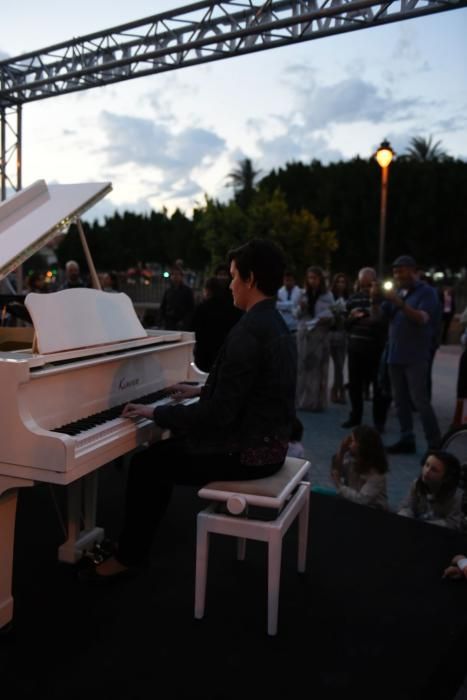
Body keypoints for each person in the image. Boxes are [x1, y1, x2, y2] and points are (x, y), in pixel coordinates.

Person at [80, 238, 297, 582]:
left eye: (233, 276)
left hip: (247, 452)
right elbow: (249, 390)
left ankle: (129, 556)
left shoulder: (249, 332)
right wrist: (200, 389)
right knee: (160, 456)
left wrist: (158, 413)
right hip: (267, 443)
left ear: (251, 279)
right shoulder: (274, 323)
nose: (230, 284)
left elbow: (218, 416)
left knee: (147, 464)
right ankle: (137, 543)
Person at [371, 255, 442, 453]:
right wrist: (374, 300)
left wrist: (399, 302)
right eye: (394, 271)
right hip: (395, 354)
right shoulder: (398, 292)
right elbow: (377, 318)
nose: (397, 275)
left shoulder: (427, 293)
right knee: (399, 400)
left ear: (413, 270)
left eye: (401, 270)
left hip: (416, 355)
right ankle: (406, 438)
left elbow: (422, 318)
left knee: (420, 401)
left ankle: (435, 444)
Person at [342, 267, 389, 432]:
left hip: (376, 349)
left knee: (379, 387)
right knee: (355, 385)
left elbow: (383, 323)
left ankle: (379, 422)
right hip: (355, 348)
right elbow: (345, 325)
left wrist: (373, 310)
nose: (366, 290)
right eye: (363, 286)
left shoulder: (384, 300)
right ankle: (355, 416)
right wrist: (353, 318)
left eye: (369, 286)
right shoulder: (353, 299)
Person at [295, 266, 334, 412]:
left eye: (315, 278)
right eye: (310, 278)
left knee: (317, 368)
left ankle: (316, 402)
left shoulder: (327, 295)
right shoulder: (302, 294)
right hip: (304, 334)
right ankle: (301, 401)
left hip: (319, 335)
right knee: (302, 368)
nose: (312, 281)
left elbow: (332, 314)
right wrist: (301, 308)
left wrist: (327, 318)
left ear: (320, 279)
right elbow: (296, 314)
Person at [398, 450, 462, 529]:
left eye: (434, 470)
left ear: (446, 477)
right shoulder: (417, 484)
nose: (427, 471)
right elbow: (407, 506)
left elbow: (452, 523)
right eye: (426, 465)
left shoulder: (455, 497)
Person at [191, 276, 243, 373]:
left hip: (205, 351)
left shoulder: (202, 308)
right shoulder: (232, 308)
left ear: (207, 290)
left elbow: (193, 329)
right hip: (225, 350)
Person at [330, 425, 388, 510]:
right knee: (317, 491)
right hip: (351, 503)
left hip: (372, 511)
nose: (349, 444)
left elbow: (361, 500)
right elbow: (337, 471)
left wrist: (339, 485)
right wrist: (341, 451)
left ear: (362, 445)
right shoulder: (353, 461)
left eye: (352, 441)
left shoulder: (377, 474)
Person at [329, 272, 351, 404]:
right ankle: (335, 389)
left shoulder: (349, 297)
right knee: (333, 363)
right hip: (331, 332)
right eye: (338, 281)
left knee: (340, 364)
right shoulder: (330, 296)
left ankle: (339, 389)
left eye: (343, 282)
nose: (341, 284)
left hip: (343, 333)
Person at [159, 263, 195, 331]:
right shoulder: (168, 291)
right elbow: (163, 307)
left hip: (182, 323)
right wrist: (162, 320)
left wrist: (185, 321)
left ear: (181, 276)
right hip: (169, 323)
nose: (175, 276)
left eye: (177, 274)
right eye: (173, 274)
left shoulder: (187, 291)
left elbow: (191, 308)